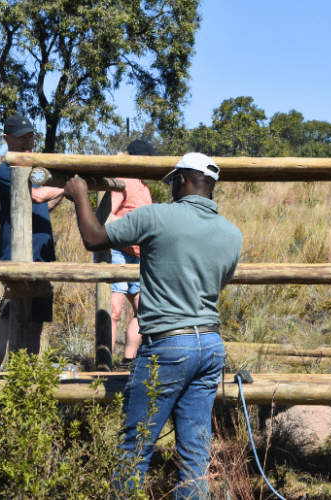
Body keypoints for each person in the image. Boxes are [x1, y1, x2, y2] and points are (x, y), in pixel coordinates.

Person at [63, 152, 242, 500]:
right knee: (195, 451)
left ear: (182, 180)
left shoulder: (156, 216)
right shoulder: (232, 234)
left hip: (168, 344)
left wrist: (80, 194)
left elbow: (94, 238)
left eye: (173, 181)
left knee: (135, 445)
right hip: (210, 345)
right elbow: (216, 284)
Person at [0, 114, 65, 368]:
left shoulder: (33, 171)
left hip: (42, 257)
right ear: (6, 139)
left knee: (35, 323)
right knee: (9, 320)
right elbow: (39, 196)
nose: (28, 143)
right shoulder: (5, 171)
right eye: (22, 138)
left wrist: (60, 190)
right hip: (17, 257)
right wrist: (68, 184)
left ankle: (28, 376)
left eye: (31, 137)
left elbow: (44, 205)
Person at [110, 139, 156, 370]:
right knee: (114, 310)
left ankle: (127, 361)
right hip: (118, 252)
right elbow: (108, 218)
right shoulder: (123, 181)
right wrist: (128, 239)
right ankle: (104, 362)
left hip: (139, 256)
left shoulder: (144, 186)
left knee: (144, 311)